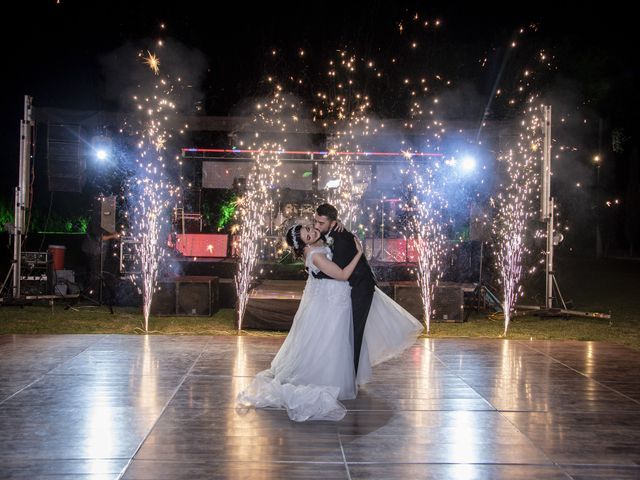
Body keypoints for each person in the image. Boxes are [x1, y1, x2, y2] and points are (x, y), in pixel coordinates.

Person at [237, 223, 423, 422]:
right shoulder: (315, 256)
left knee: (335, 341)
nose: (312, 232)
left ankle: (342, 377)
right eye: (307, 235)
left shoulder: (317, 247)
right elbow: (342, 275)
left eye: (309, 229)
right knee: (334, 342)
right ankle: (332, 379)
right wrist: (359, 253)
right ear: (304, 245)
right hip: (333, 303)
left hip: (334, 300)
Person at [313, 203, 375, 375]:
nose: (316, 226)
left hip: (361, 287)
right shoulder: (329, 233)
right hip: (348, 287)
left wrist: (316, 272)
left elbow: (339, 272)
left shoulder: (340, 238)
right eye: (315, 221)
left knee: (354, 331)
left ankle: (350, 376)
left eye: (321, 223)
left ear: (332, 223)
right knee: (343, 330)